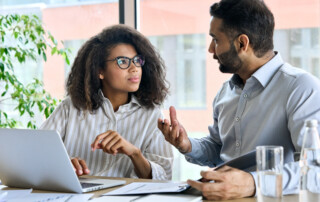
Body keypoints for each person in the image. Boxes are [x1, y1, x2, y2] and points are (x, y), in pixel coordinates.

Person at [158, 0, 320, 200]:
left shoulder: (302, 88)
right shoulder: (225, 92)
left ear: (242, 43)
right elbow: (219, 150)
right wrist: (187, 145)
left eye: (216, 40)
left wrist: (252, 183)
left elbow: (315, 170)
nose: (210, 49)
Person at [41, 24, 173, 180]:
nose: (134, 68)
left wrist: (134, 153)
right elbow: (36, 154)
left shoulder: (152, 115)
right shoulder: (70, 108)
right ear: (100, 71)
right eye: (123, 61)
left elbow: (164, 177)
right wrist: (62, 164)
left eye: (137, 60)